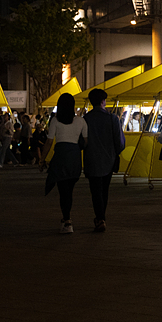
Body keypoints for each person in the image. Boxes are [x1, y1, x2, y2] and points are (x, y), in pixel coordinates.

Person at [42, 94, 89, 234]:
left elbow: (49, 142)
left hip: (60, 157)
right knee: (70, 189)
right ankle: (67, 219)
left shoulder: (55, 121)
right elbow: (85, 141)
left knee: (63, 190)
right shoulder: (81, 121)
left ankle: (67, 219)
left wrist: (41, 159)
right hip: (74, 157)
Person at [83, 88, 125, 232]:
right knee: (104, 190)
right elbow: (119, 142)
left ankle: (100, 218)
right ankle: (101, 217)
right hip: (108, 160)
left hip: (92, 160)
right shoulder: (112, 118)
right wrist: (115, 152)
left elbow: (82, 142)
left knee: (95, 191)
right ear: (103, 102)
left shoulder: (86, 119)